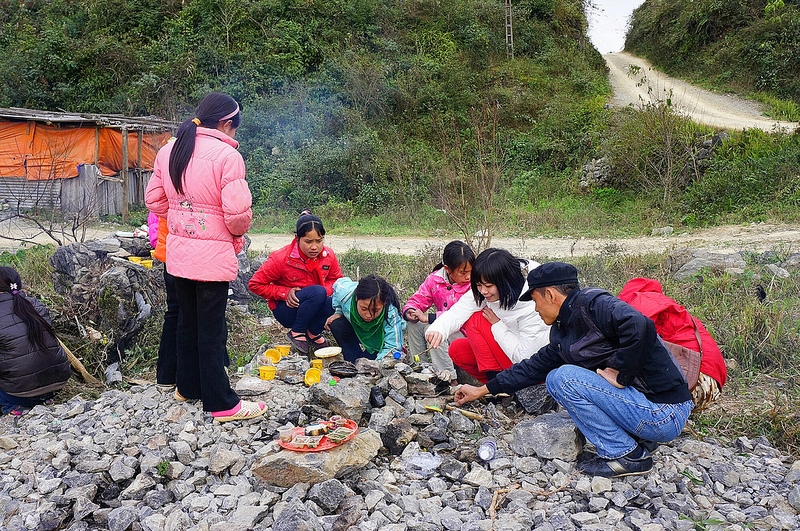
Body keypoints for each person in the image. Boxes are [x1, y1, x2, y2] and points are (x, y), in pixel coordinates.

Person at [455, 262, 694, 478]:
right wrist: (482, 390)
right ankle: (636, 441)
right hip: (648, 413)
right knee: (555, 375)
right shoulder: (565, 329)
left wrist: (621, 372)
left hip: (664, 414)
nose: (536, 309)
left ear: (550, 294)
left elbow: (641, 325)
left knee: (563, 378)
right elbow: (531, 368)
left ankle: (626, 455)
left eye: (536, 300)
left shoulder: (594, 304)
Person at [145, 92, 266, 423]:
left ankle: (187, 386)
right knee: (211, 328)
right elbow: (238, 214)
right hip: (211, 256)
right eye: (235, 129)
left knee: (187, 320)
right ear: (227, 124)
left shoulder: (170, 149)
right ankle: (222, 403)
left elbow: (154, 201)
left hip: (179, 253)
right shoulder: (227, 157)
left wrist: (183, 214)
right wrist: (235, 235)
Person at [425, 248, 550, 384]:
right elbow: (460, 310)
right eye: (478, 285)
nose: (483, 291)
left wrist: (497, 325)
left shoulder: (535, 302)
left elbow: (524, 357)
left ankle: (497, 384)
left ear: (505, 282)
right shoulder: (488, 287)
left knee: (477, 320)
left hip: (529, 368)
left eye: (488, 286)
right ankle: (494, 388)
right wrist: (438, 329)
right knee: (457, 349)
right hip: (507, 352)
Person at [618, 277, 727, 411]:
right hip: (712, 384)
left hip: (696, 379)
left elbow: (635, 332)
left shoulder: (643, 299)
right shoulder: (670, 306)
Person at [248, 211, 343, 354]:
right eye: (308, 241)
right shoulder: (281, 258)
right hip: (288, 310)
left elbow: (337, 280)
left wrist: (325, 291)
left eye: (319, 240)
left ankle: (312, 333)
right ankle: (297, 332)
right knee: (318, 292)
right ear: (297, 238)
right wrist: (284, 293)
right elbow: (255, 284)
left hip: (314, 303)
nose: (314, 247)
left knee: (334, 300)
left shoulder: (328, 256)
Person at [0, 266, 71, 414]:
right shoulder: (35, 304)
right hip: (57, 382)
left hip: (20, 392)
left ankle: (14, 411)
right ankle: (44, 400)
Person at [402, 241, 474, 381]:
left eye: (471, 271)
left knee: (435, 329)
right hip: (446, 329)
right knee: (414, 325)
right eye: (463, 272)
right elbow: (419, 298)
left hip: (465, 333)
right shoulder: (435, 280)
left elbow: (462, 316)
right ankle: (420, 370)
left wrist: (431, 318)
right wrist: (410, 310)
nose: (468, 276)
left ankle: (447, 378)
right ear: (447, 269)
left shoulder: (475, 285)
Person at [325, 274, 405, 362]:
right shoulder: (345, 294)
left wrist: (376, 364)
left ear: (384, 303)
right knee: (337, 324)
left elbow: (393, 347)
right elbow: (337, 285)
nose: (368, 315)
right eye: (364, 309)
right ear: (356, 298)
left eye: (375, 310)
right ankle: (352, 361)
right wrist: (338, 311)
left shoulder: (391, 313)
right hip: (356, 330)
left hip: (378, 342)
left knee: (374, 363)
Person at [147, 211, 178, 391]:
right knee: (196, 313)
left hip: (168, 253)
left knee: (173, 311)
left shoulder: (162, 186)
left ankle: (166, 376)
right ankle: (189, 376)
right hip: (186, 252)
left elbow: (154, 230)